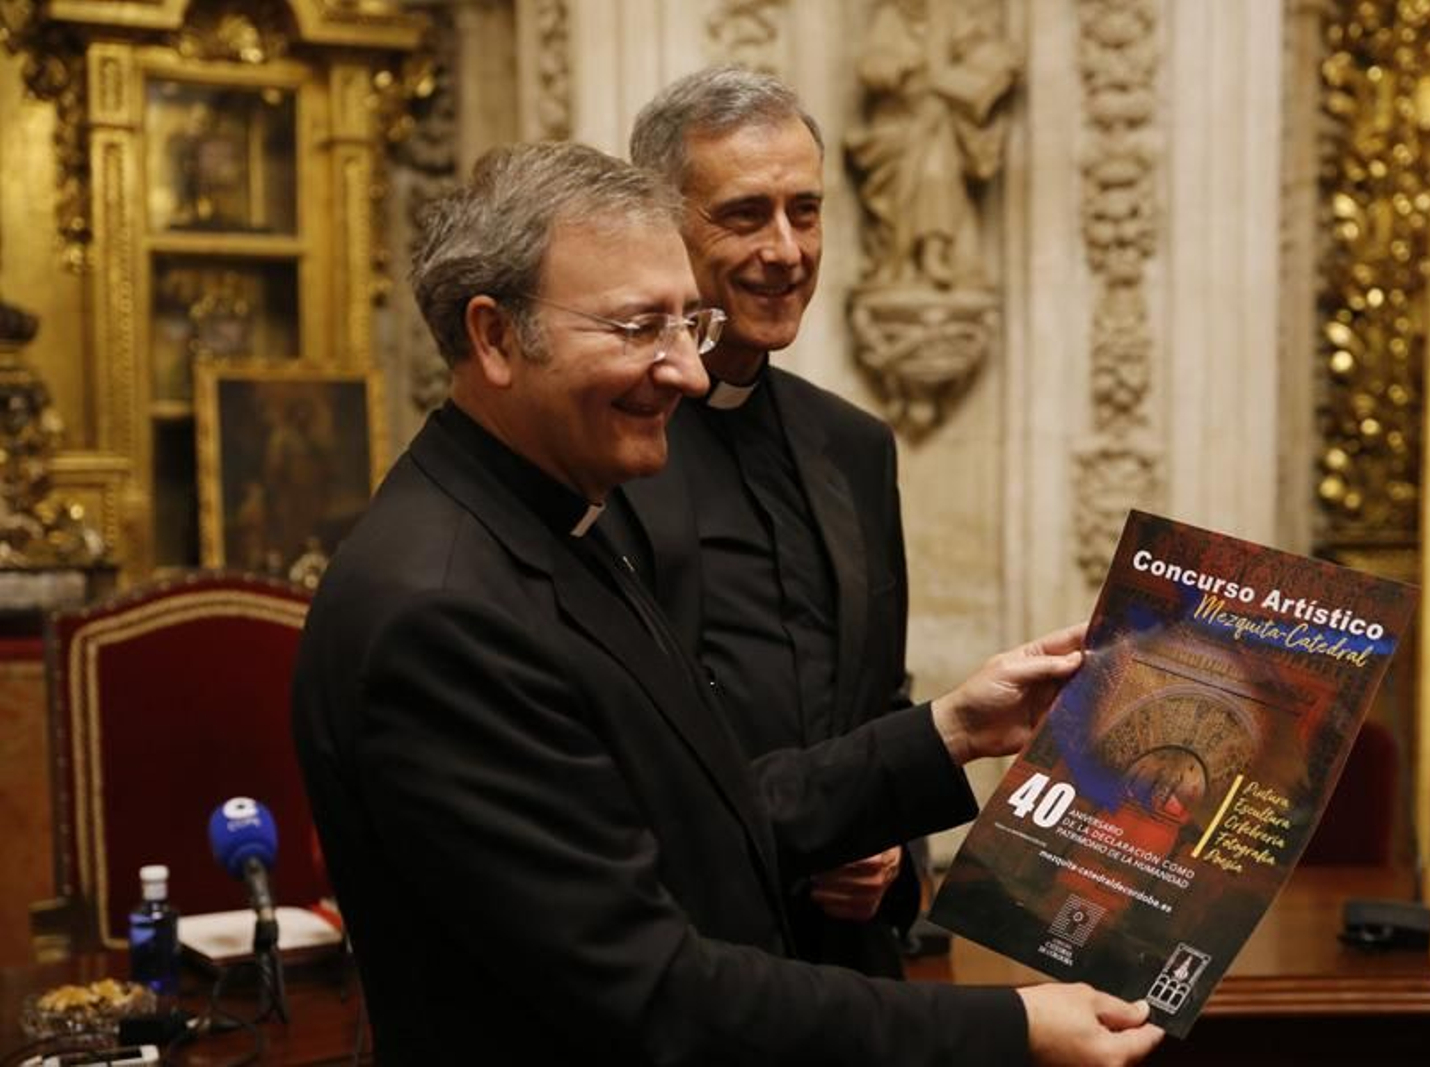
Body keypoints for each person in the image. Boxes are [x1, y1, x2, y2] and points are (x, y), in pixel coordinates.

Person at [292, 140, 1163, 1066]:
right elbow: (650, 991)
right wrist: (1013, 1026)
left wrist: (947, 730)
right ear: (496, 337)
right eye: (638, 329)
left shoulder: (553, 521)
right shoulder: (443, 613)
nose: (691, 373)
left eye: (686, 326)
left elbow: (704, 811)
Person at [609, 65, 919, 979]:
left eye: (806, 211)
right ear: (659, 226)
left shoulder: (855, 445)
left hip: (844, 968)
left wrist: (891, 848)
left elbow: (879, 704)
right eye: (745, 215)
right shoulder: (605, 438)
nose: (786, 249)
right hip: (676, 960)